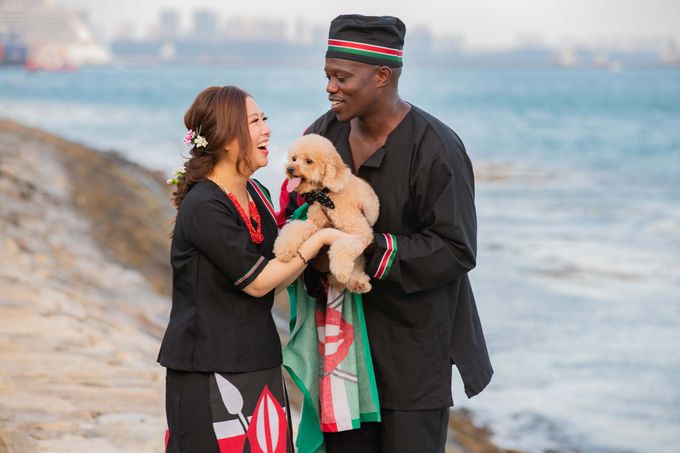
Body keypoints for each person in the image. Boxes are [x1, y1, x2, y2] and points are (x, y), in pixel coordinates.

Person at [281, 15, 493, 452]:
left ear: (382, 76)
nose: (330, 88)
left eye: (342, 78)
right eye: (327, 77)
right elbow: (293, 213)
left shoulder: (436, 148)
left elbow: (456, 249)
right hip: (338, 349)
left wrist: (362, 248)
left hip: (413, 352)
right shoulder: (321, 135)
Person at [157, 85, 353, 452]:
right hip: (208, 366)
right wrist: (320, 239)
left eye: (265, 119)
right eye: (254, 121)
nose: (266, 130)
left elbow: (275, 276)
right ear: (227, 138)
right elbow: (259, 283)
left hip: (257, 358)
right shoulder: (204, 206)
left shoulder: (257, 194)